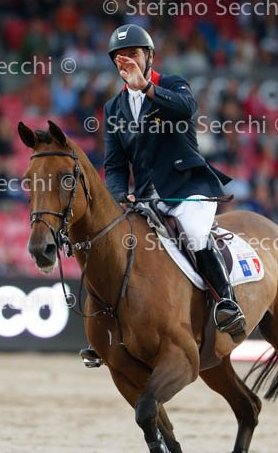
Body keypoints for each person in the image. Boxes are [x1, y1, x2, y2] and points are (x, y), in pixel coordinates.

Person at [80, 24, 246, 368]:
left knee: (195, 234)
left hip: (187, 188)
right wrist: (117, 196)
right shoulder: (114, 108)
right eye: (120, 58)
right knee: (116, 246)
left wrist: (146, 87)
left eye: (133, 54)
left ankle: (227, 303)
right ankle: (108, 330)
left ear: (149, 56)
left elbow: (186, 108)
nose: (127, 61)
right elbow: (114, 165)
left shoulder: (172, 84)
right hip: (144, 197)